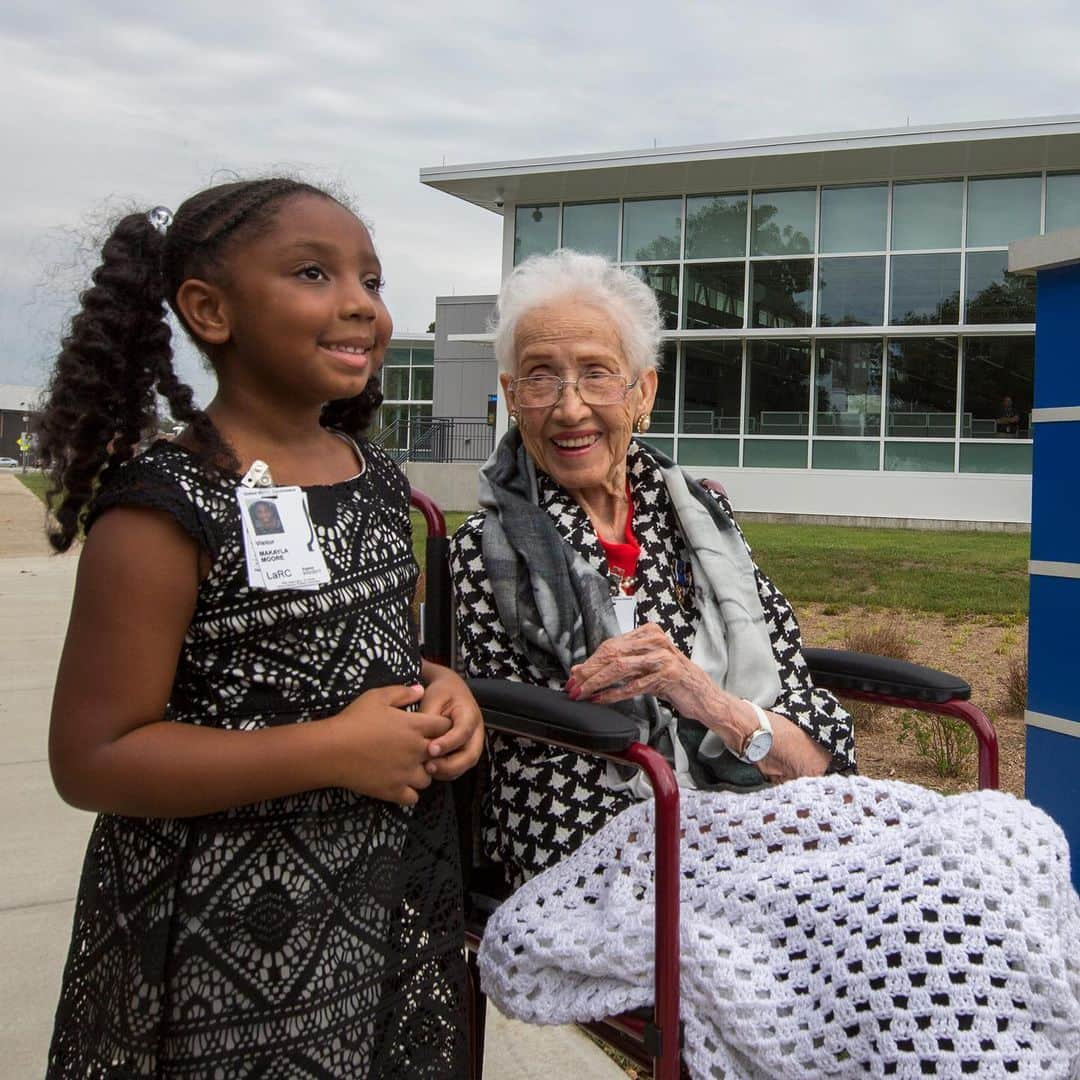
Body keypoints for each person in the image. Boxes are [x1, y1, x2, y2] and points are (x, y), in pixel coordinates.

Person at [38, 178, 483, 1077]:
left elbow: (374, 658)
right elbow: (93, 758)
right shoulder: (162, 510)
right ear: (209, 310)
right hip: (220, 943)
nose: (361, 304)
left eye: (372, 278)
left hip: (376, 904)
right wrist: (332, 750)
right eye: (315, 273)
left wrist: (443, 686)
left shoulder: (377, 476)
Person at [450, 249, 855, 889]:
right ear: (511, 397)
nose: (570, 408)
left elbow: (813, 747)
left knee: (989, 855)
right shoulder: (487, 554)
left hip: (769, 819)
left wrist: (701, 697)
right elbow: (545, 777)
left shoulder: (705, 521)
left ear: (643, 391)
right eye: (540, 378)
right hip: (616, 850)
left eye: (596, 375)